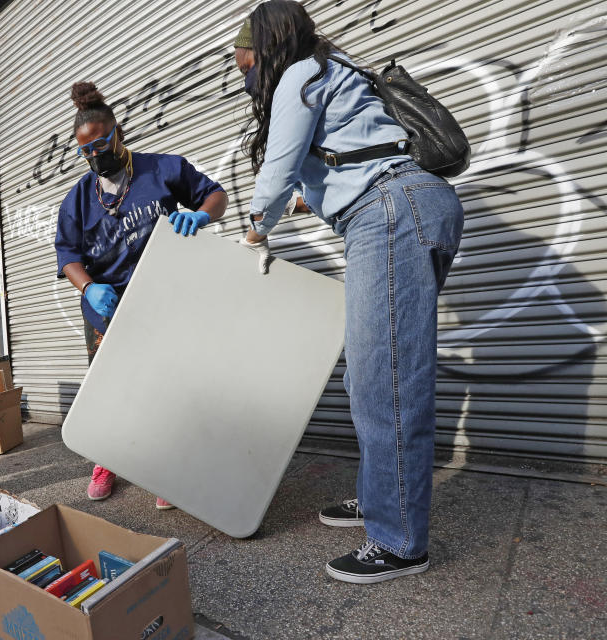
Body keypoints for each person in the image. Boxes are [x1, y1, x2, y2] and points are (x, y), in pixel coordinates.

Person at [235, 1, 464, 583]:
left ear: (266, 48)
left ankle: (400, 543)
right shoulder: (333, 69)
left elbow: (281, 163)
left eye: (243, 62)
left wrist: (256, 227)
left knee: (386, 379)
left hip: (390, 213)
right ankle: (383, 501)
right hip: (406, 206)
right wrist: (308, 200)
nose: (241, 74)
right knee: (371, 375)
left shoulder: (298, 74)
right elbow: (358, 152)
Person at [55, 82, 229, 508]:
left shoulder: (164, 169)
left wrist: (201, 216)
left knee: (170, 383)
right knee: (111, 387)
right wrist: (89, 287)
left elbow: (216, 195)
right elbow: (68, 254)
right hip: (107, 307)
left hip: (165, 297)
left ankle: (165, 466)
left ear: (119, 133)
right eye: (86, 150)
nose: (97, 154)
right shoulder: (78, 199)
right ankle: (107, 460)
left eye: (101, 143)